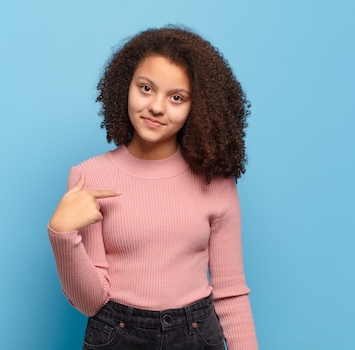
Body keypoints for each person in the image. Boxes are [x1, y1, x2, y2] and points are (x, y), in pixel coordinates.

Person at [48, 25, 258, 350]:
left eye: (176, 97)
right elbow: (90, 304)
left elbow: (231, 293)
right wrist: (62, 234)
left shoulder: (215, 180)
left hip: (196, 333)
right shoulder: (89, 177)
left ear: (197, 107)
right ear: (125, 87)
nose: (157, 107)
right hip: (117, 333)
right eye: (146, 88)